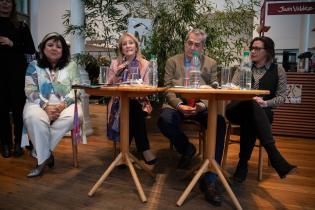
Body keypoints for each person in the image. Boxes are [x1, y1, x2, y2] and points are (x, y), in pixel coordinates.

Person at [157, 29, 226, 206]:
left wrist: (202, 104)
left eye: (196, 44)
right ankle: (187, 148)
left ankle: (210, 178)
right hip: (178, 103)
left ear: (202, 47)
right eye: (189, 43)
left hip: (201, 106)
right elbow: (167, 88)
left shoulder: (211, 63)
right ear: (184, 43)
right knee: (164, 120)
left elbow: (215, 87)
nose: (192, 47)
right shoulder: (172, 61)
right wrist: (179, 105)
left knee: (219, 123)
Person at [225, 36, 297, 183]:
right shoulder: (244, 66)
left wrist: (265, 103)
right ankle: (274, 154)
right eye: (252, 48)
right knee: (251, 104)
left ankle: (242, 164)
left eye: (257, 48)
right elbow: (232, 89)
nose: (253, 51)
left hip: (263, 111)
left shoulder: (278, 70)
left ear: (267, 51)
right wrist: (250, 99)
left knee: (251, 117)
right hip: (236, 109)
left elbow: (282, 96)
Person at [23, 32, 83, 177]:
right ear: (43, 48)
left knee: (76, 116)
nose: (54, 48)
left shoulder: (71, 65)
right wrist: (45, 105)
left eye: (58, 46)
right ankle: (46, 155)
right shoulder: (33, 65)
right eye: (50, 45)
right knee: (33, 118)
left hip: (66, 104)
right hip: (38, 103)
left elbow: (77, 88)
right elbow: (29, 89)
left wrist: (63, 105)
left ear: (63, 51)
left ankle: (41, 156)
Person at [106, 32, 156, 165]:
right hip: (119, 102)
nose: (128, 46)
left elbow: (148, 86)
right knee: (130, 107)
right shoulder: (115, 63)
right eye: (124, 44)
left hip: (140, 101)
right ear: (121, 48)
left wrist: (137, 86)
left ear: (136, 46)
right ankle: (143, 149)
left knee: (133, 106)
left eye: (131, 43)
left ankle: (125, 152)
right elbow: (108, 86)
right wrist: (117, 75)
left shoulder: (145, 64)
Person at [0, 0, 35, 158]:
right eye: (2, 0)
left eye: (9, 1)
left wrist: (12, 43)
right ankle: (5, 144)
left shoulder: (21, 25)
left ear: (13, 5)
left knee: (18, 109)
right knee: (1, 110)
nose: (5, 3)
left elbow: (30, 49)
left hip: (16, 74)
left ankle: (19, 143)